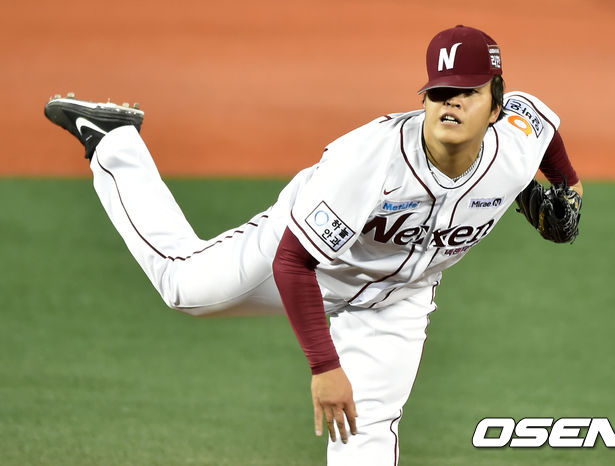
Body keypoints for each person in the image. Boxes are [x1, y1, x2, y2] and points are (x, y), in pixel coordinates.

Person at [44, 25, 583, 465]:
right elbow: (293, 262)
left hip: (399, 299)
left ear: (495, 105)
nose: (451, 103)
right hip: (311, 260)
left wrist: (568, 191)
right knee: (182, 287)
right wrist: (324, 367)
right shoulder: (368, 160)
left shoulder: (515, 144)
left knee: (367, 433)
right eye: (440, 92)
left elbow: (545, 134)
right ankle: (113, 140)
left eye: (467, 93)